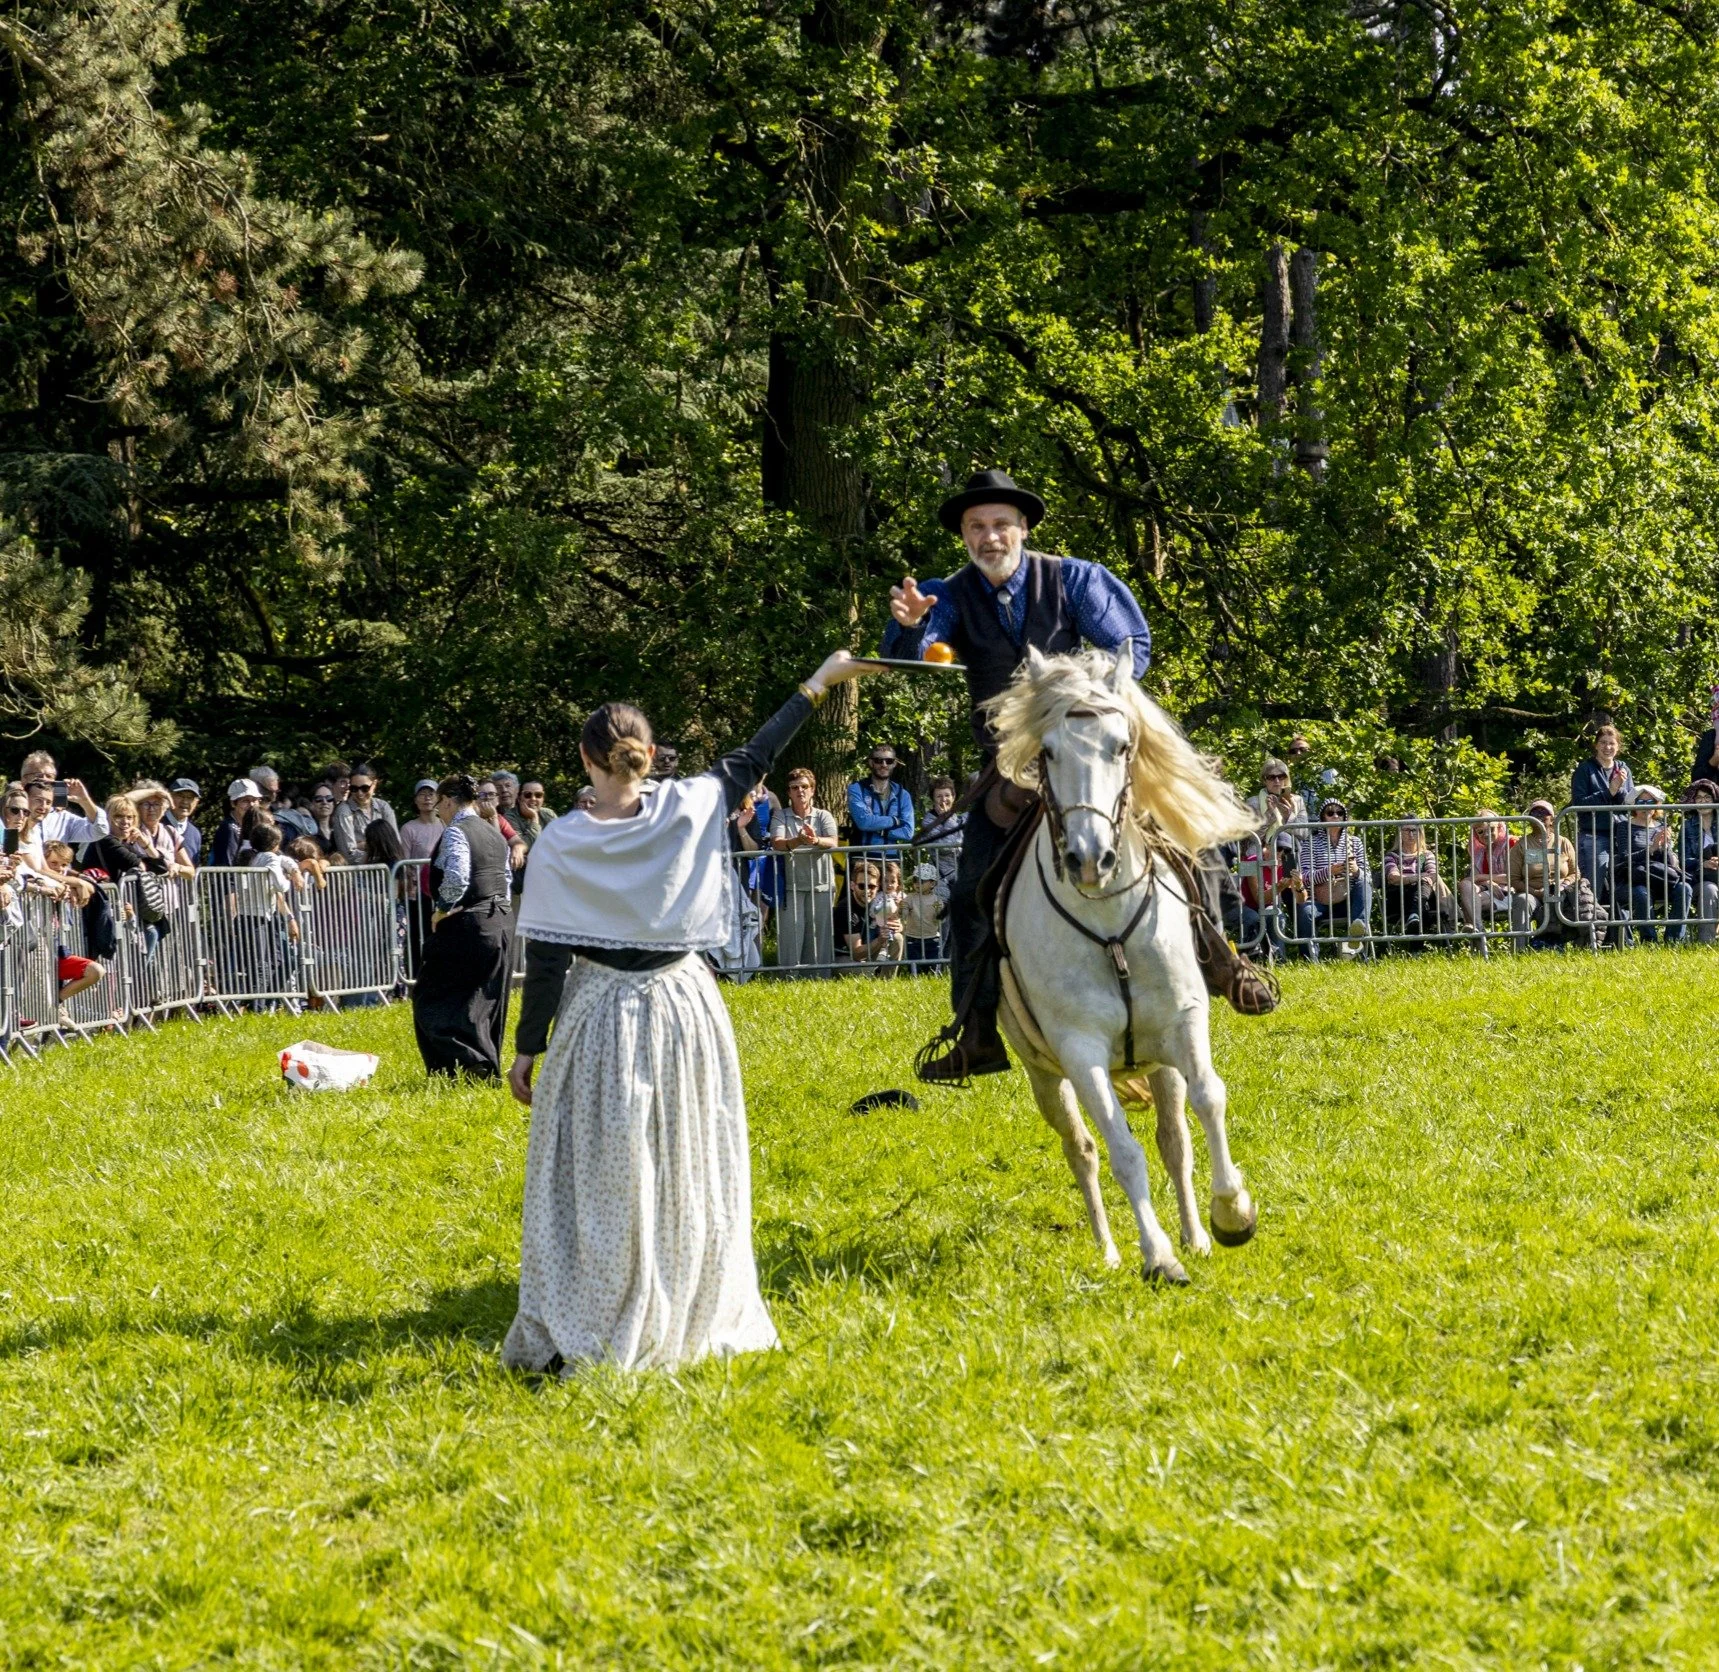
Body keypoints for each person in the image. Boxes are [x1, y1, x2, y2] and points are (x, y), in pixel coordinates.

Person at [501, 647, 875, 1374]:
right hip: (682, 1005)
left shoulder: (563, 842)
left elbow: (546, 957)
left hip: (601, 1012)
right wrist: (821, 680)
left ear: (585, 758)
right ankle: (686, 1293)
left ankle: (596, 1306)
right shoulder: (692, 802)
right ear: (646, 753)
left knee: (604, 1164)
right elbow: (760, 747)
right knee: (686, 1156)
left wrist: (526, 1048)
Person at [884, 470, 1273, 1081]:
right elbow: (918, 655)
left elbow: (1130, 646)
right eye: (977, 527)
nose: (990, 537)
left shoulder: (1075, 578)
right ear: (964, 534)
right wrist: (911, 626)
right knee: (966, 899)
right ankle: (977, 1032)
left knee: (1185, 839)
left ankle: (1228, 965)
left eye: (1001, 525)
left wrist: (1077, 691)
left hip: (1090, 752)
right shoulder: (948, 593)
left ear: (1024, 529)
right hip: (1011, 769)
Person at [413, 774, 515, 1078]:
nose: (439, 814)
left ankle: (463, 1063)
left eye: (440, 807)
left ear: (447, 801)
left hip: (470, 923)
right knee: (485, 998)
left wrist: (441, 910)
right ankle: (483, 1065)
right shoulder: (494, 831)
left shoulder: (457, 831)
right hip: (502, 921)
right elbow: (505, 879)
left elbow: (457, 875)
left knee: (433, 995)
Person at [769, 767, 837, 971]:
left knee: (820, 939)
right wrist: (798, 840)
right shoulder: (781, 815)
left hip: (822, 886)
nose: (800, 791)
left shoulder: (824, 816)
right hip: (791, 887)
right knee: (791, 937)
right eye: (795, 787)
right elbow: (777, 843)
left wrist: (815, 839)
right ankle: (788, 980)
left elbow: (833, 842)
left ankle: (820, 981)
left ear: (813, 790)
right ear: (788, 792)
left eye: (805, 787)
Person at [1509, 799, 1594, 949]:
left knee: (1566, 899)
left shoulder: (1563, 842)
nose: (1539, 815)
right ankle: (1519, 950)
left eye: (1544, 812)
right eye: (1535, 812)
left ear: (1552, 818)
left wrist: (1562, 885)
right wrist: (1536, 892)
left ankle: (1561, 944)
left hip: (1560, 890)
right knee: (1522, 901)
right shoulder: (1521, 845)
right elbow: (1514, 879)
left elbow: (1575, 874)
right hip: (1532, 892)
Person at [1293, 799, 1372, 957]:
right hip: (1319, 901)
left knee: (1364, 882)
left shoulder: (1355, 843)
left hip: (1348, 900)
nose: (1335, 816)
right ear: (1323, 818)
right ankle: (1309, 958)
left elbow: (1368, 876)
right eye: (1330, 813)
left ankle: (1357, 932)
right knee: (1305, 911)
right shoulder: (1310, 843)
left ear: (1344, 817)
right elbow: (1305, 877)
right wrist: (1328, 871)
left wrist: (1356, 871)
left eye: (1340, 813)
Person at [1570, 723, 1633, 904]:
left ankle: (1619, 928)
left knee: (1625, 882)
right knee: (1594, 882)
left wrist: (1619, 790)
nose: (1608, 747)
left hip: (1621, 835)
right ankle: (1591, 925)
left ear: (1618, 747)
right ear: (1596, 745)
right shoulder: (1585, 769)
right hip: (1594, 835)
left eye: (1612, 743)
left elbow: (1630, 801)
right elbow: (1579, 804)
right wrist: (1609, 791)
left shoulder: (1623, 769)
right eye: (1603, 743)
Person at [1619, 786, 1692, 944]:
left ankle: (1674, 940)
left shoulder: (1661, 826)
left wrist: (1665, 847)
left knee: (1685, 889)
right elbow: (1625, 858)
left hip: (1660, 876)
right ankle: (1649, 940)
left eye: (1650, 801)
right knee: (1641, 893)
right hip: (1637, 878)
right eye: (1641, 801)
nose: (1646, 805)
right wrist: (1651, 848)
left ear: (1656, 805)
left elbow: (1668, 863)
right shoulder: (1625, 826)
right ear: (1634, 805)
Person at [1381, 821, 1456, 939]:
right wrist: (1418, 877)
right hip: (1399, 898)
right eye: (1406, 830)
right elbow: (1394, 878)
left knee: (1424, 887)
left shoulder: (1425, 855)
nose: (1411, 834)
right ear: (1399, 833)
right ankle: (1415, 917)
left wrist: (1408, 878)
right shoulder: (1392, 856)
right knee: (1423, 889)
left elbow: (1432, 876)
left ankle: (1414, 919)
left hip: (1423, 895)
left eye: (1414, 830)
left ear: (1420, 833)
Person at [847, 745, 914, 850]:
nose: (884, 764)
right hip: (862, 859)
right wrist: (895, 821)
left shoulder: (903, 795)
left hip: (891, 860)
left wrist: (882, 831)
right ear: (871, 763)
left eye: (889, 761)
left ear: (894, 764)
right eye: (878, 760)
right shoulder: (857, 789)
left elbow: (908, 832)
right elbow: (864, 822)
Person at [1457, 812, 1516, 933]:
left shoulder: (1512, 843)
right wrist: (1487, 881)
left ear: (1499, 827)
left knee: (1468, 905)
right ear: (1476, 834)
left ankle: (1478, 939)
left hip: (1513, 891)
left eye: (1491, 829)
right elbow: (1469, 880)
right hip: (1490, 891)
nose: (1487, 834)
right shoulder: (1480, 852)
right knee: (1464, 886)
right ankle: (1478, 927)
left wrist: (1481, 877)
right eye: (1481, 832)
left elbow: (1516, 876)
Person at [1681, 780, 1719, 943]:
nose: (1703, 801)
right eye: (1699, 798)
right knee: (1709, 890)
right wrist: (1701, 863)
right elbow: (1682, 860)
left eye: (1707, 797)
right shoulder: (1687, 826)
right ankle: (1707, 942)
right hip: (1700, 878)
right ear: (1693, 802)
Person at [334, 763, 397, 860]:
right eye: (354, 789)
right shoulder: (343, 811)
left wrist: (364, 846)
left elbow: (395, 843)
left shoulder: (384, 807)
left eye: (365, 788)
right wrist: (379, 848)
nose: (360, 793)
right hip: (358, 873)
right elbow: (348, 853)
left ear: (374, 784)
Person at [900, 863, 946, 967]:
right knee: (914, 966)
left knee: (932, 967)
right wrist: (903, 909)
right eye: (915, 880)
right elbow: (904, 914)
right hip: (912, 938)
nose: (917, 883)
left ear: (932, 883)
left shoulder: (937, 900)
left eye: (922, 881)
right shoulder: (910, 898)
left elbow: (940, 920)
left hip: (932, 939)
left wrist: (939, 913)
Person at [211, 779, 262, 866]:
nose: (252, 805)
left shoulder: (254, 828)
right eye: (246, 801)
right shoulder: (229, 828)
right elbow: (228, 865)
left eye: (255, 800)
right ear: (233, 803)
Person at [165, 779, 203, 866]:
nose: (185, 801)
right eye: (180, 795)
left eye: (190, 798)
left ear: (196, 802)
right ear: (170, 797)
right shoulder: (157, 825)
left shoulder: (195, 833)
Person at [302, 783, 341, 856]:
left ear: (333, 803)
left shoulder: (339, 828)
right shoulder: (307, 831)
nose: (324, 802)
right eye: (319, 799)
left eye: (329, 798)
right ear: (312, 803)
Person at [513, 780, 554, 849]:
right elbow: (524, 846)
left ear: (543, 798)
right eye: (527, 795)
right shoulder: (510, 817)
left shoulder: (548, 814)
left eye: (538, 795)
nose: (533, 799)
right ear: (519, 798)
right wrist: (534, 818)